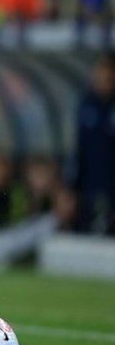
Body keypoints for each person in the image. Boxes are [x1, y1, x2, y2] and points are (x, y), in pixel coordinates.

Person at [68, 52, 115, 235]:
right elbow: (79, 151)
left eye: (110, 75)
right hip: (90, 189)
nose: (105, 79)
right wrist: (71, 188)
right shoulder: (86, 105)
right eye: (101, 74)